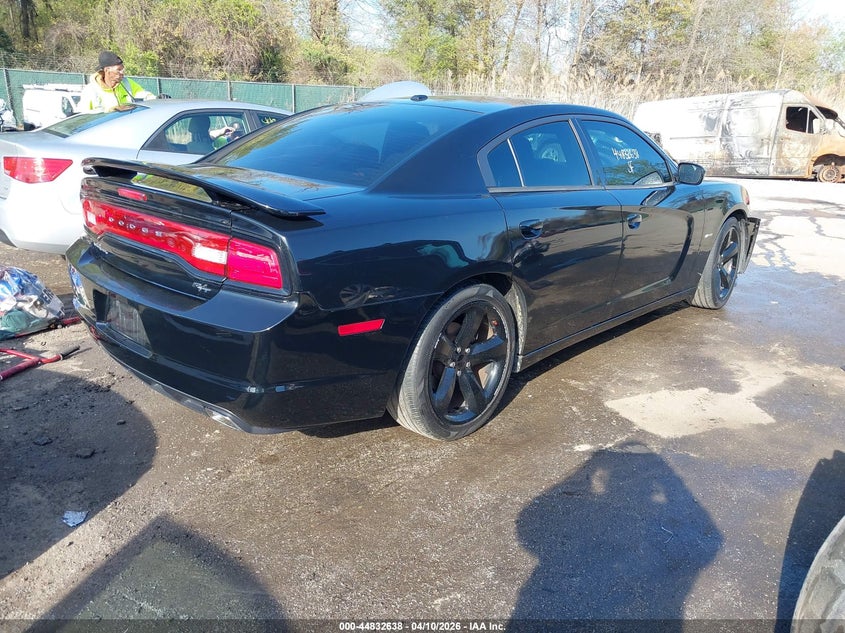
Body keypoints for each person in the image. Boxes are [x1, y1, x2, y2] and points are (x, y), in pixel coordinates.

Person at [78, 50, 156, 112]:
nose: (122, 72)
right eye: (119, 70)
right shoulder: (90, 90)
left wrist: (158, 99)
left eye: (122, 69)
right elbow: (83, 116)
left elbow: (145, 95)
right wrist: (111, 111)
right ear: (107, 70)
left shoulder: (127, 83)